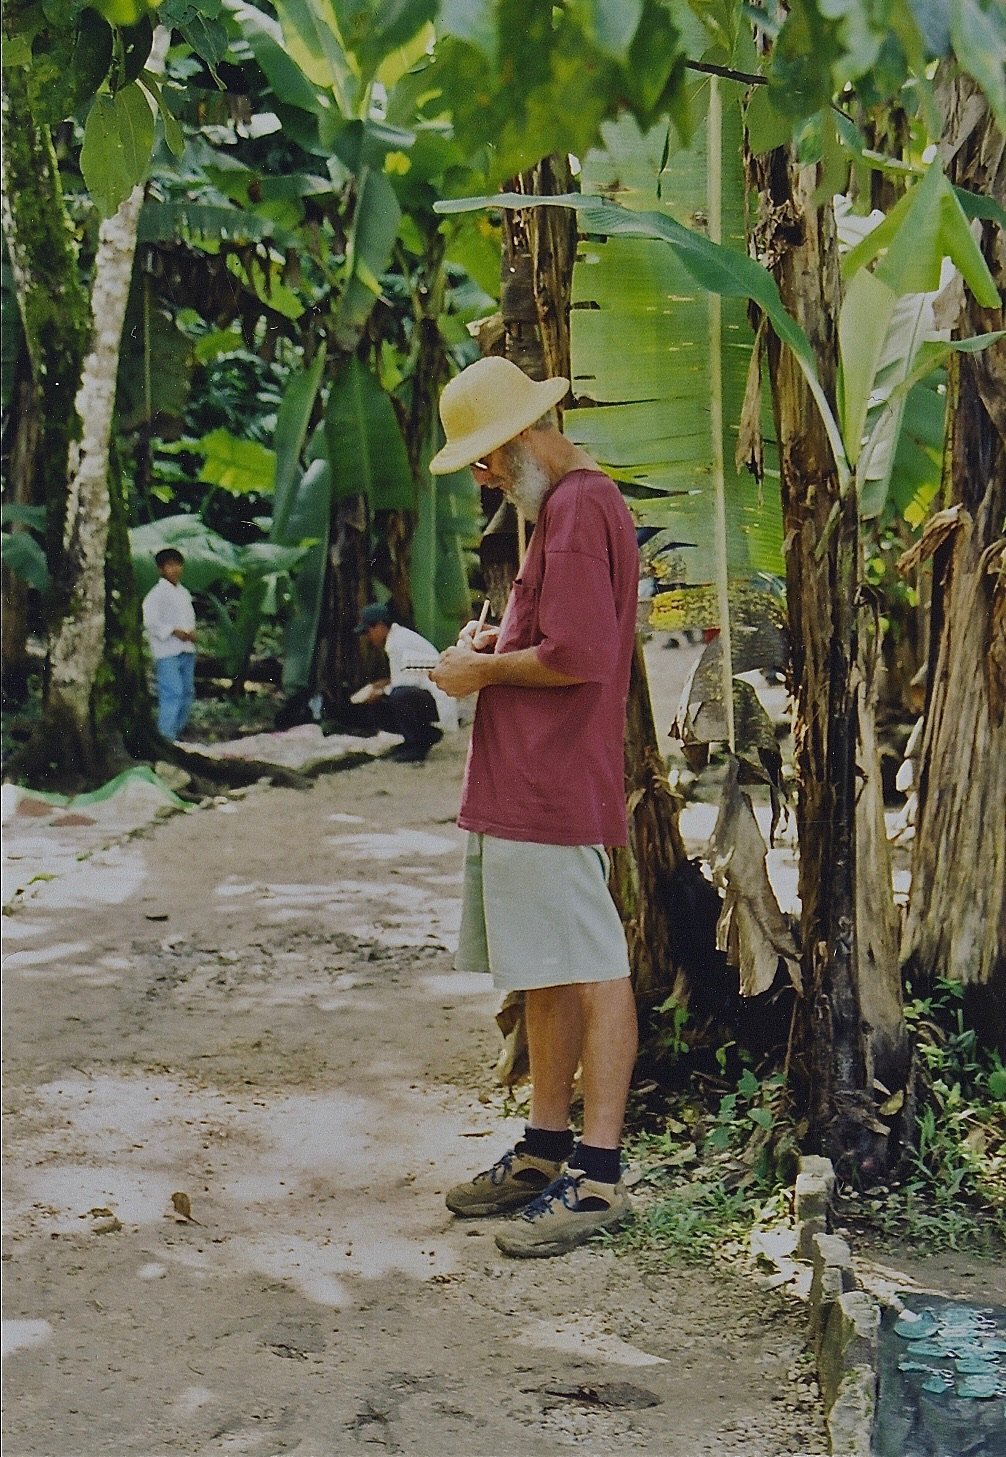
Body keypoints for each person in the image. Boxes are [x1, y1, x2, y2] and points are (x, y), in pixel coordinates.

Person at [428, 355, 639, 1258]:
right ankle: (546, 1148)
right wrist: (494, 641)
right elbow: (548, 639)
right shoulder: (558, 511)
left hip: (555, 784)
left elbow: (579, 655)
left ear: (517, 442)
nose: (483, 478)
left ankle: (598, 1177)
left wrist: (481, 670)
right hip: (527, 788)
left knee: (592, 966)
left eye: (483, 461)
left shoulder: (581, 507)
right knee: (547, 968)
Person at [352, 603, 459, 763]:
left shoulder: (397, 644)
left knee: (398, 696)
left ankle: (417, 746)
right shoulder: (399, 637)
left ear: (380, 626)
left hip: (438, 698)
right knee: (389, 698)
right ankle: (421, 736)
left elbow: (403, 685)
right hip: (430, 696)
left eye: (368, 631)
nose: (368, 637)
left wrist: (378, 692)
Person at [142, 547, 197, 742]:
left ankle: (177, 730)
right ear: (161, 569)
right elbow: (150, 621)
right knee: (172, 692)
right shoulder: (156, 595)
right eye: (170, 565)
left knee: (187, 692)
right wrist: (173, 630)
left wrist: (191, 633)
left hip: (186, 649)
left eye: (177, 564)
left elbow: (188, 618)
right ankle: (166, 736)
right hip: (167, 651)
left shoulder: (183, 592)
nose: (175, 569)